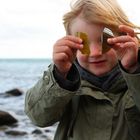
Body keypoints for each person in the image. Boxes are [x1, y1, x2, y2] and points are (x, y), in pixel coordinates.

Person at [25, 0, 140, 140]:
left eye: (105, 40)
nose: (95, 52)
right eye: (83, 43)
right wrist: (59, 76)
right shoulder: (66, 87)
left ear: (125, 37)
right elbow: (38, 117)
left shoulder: (135, 79)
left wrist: (134, 70)